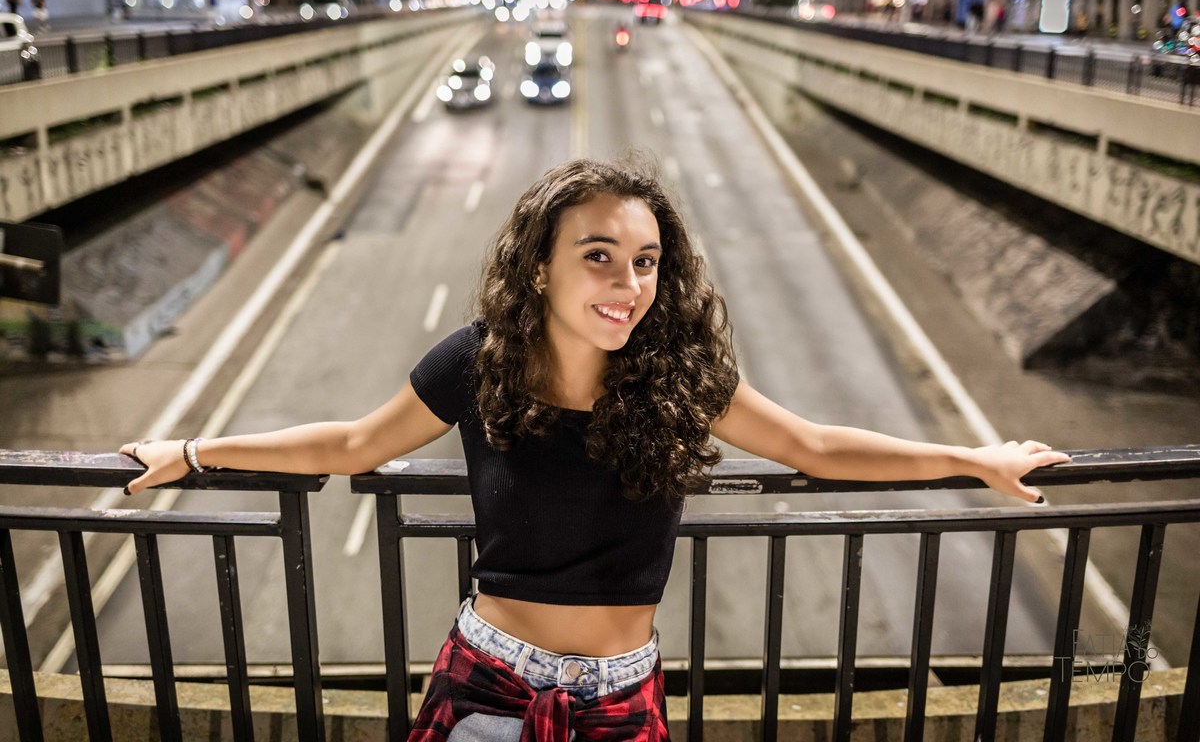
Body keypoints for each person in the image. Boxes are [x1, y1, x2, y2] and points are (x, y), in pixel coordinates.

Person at [119, 157, 1069, 739]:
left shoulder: (677, 375)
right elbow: (354, 442)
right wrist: (196, 451)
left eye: (646, 261)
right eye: (598, 256)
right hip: (486, 680)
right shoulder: (477, 361)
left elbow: (817, 446)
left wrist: (974, 460)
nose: (628, 283)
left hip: (622, 701)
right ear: (541, 264)